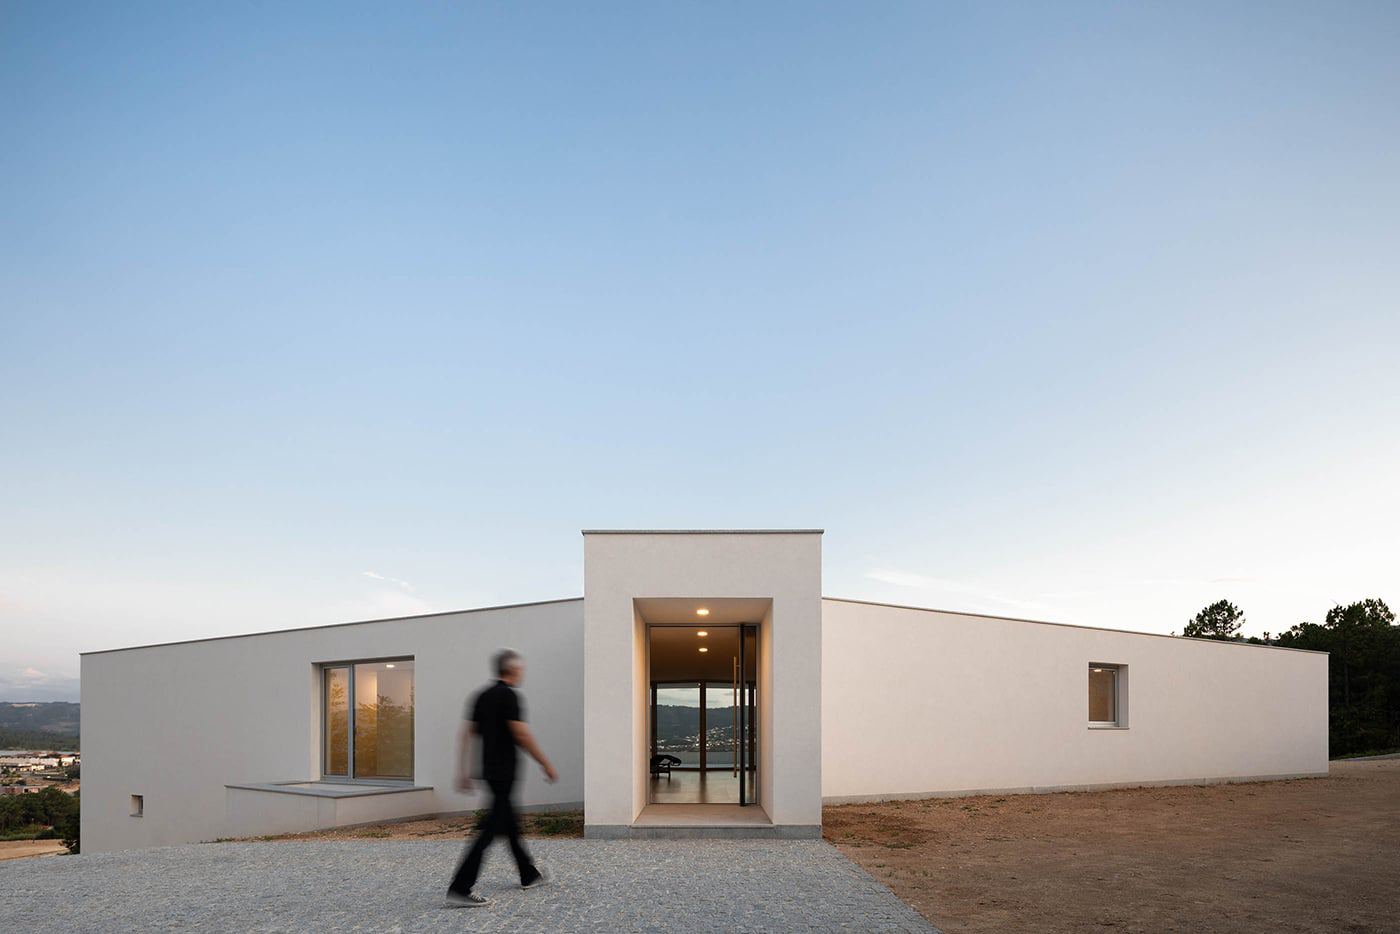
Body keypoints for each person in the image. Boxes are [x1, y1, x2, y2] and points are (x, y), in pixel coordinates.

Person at [445, 648, 558, 908]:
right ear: (511, 670)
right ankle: (460, 887)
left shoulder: (482, 696)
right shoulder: (509, 696)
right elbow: (521, 734)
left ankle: (528, 874)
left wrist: (462, 770)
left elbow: (467, 733)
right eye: (520, 669)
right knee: (488, 832)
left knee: (509, 824)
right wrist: (545, 764)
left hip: (489, 772)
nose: (522, 674)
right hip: (504, 772)